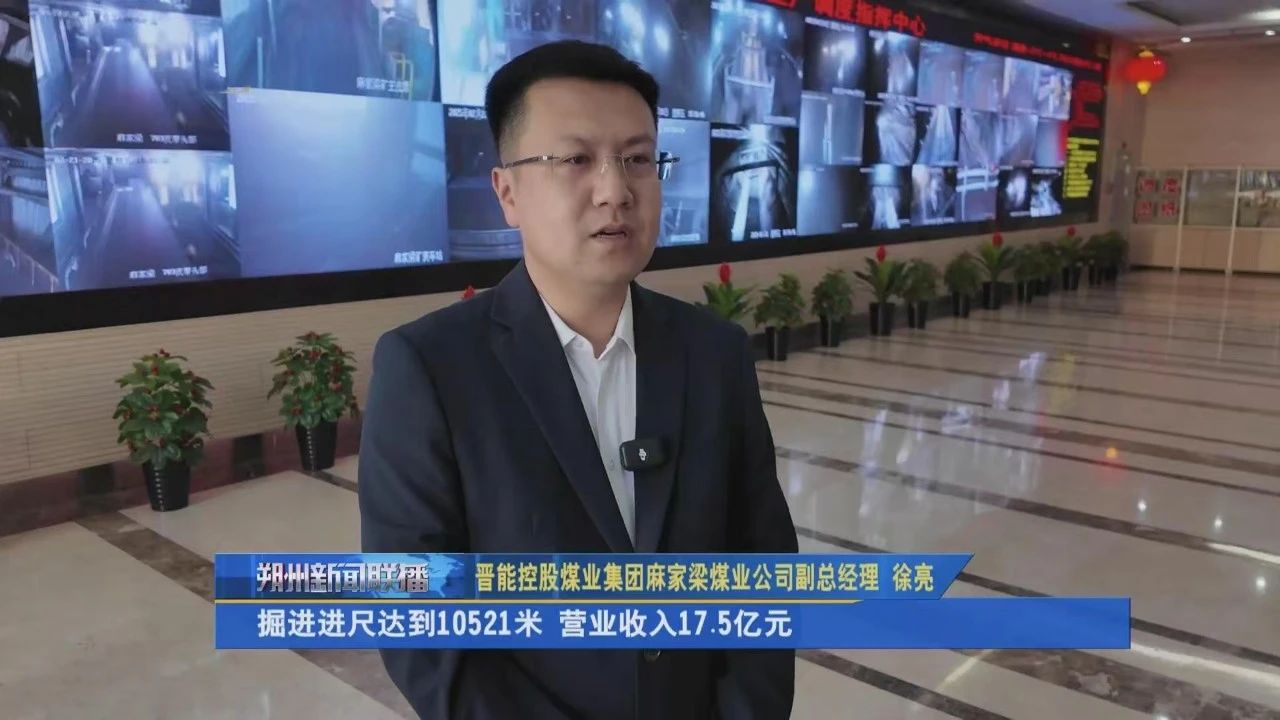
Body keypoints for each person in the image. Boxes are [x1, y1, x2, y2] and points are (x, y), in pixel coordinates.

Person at [358, 40, 797, 720]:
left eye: (638, 159)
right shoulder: (429, 369)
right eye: (576, 160)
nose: (615, 190)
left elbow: (762, 565)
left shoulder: (716, 355)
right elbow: (417, 619)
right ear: (508, 192)